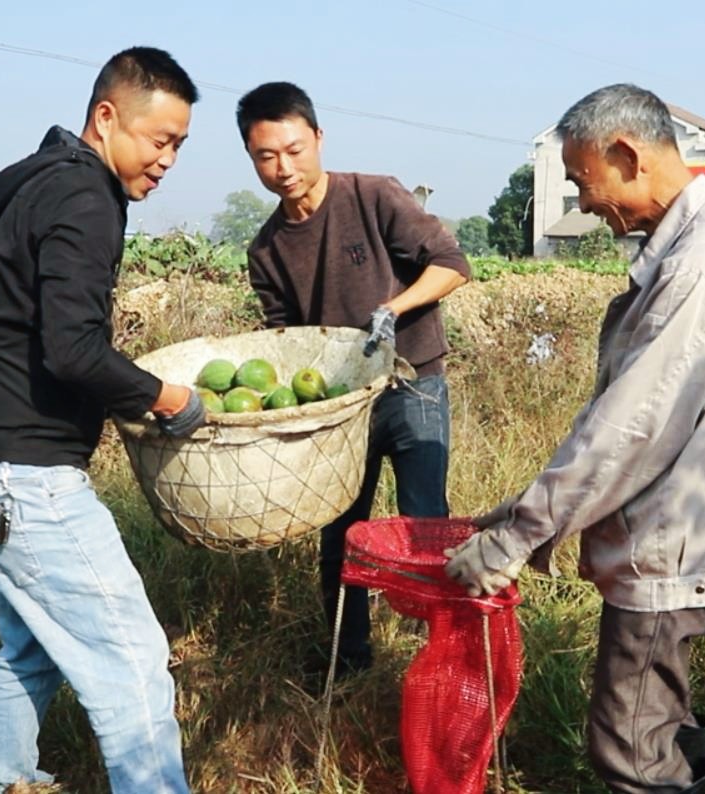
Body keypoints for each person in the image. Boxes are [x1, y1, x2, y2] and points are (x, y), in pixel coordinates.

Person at [445, 83, 705, 794]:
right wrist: (522, 509)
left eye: (584, 181)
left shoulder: (701, 263)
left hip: (679, 545)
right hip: (701, 527)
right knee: (661, 715)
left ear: (627, 155)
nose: (584, 203)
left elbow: (631, 428)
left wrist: (517, 539)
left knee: (631, 748)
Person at [0, 47, 204, 793]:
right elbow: (75, 351)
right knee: (133, 663)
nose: (168, 160)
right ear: (107, 118)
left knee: (32, 647)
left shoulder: (44, 181)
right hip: (21, 481)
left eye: (179, 145)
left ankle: (4, 782)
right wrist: (166, 398)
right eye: (160, 140)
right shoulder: (85, 196)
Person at [236, 81, 471, 674]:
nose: (284, 168)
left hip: (412, 384)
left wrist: (393, 309)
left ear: (318, 138)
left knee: (425, 525)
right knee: (341, 533)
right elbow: (285, 344)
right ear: (251, 157)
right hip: (340, 408)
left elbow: (452, 265)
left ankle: (443, 660)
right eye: (267, 156)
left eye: (295, 150)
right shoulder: (266, 250)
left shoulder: (374, 195)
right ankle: (349, 661)